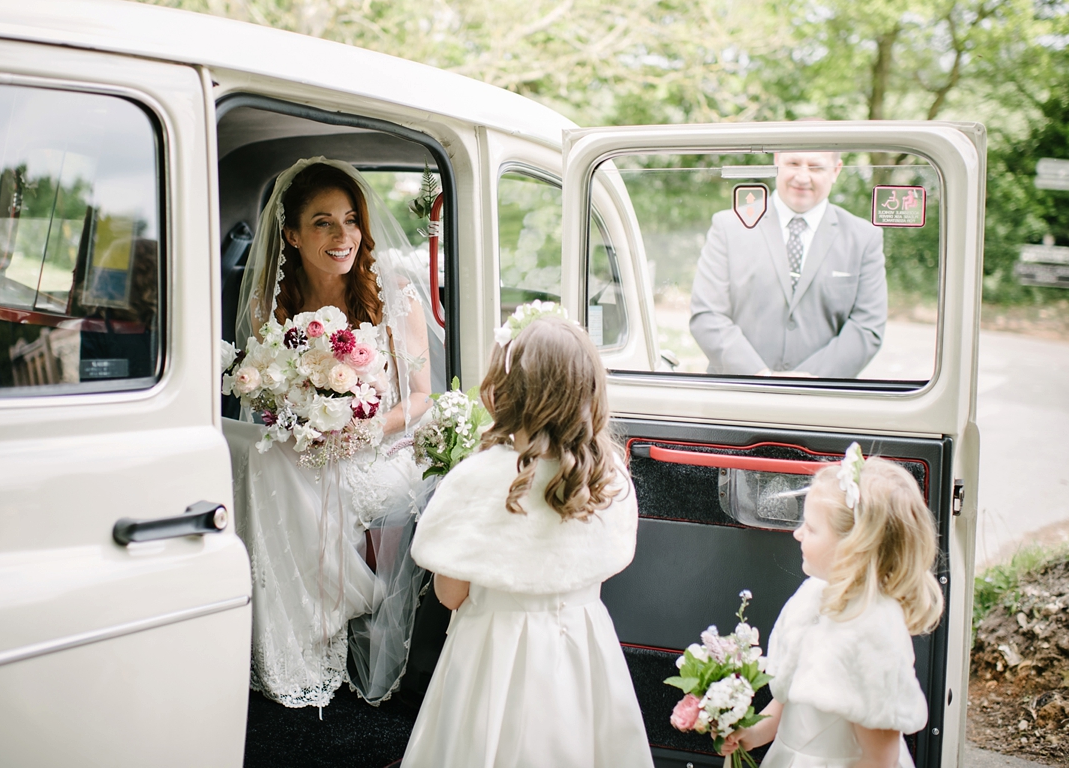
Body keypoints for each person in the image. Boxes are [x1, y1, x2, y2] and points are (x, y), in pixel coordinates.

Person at [227, 157, 443, 709]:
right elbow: (266, 393)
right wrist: (298, 418)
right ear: (293, 234)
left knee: (305, 477)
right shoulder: (268, 306)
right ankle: (294, 648)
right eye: (322, 222)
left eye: (350, 220)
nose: (342, 235)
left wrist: (363, 429)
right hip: (308, 449)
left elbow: (421, 398)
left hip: (383, 448)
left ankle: (329, 622)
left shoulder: (396, 296)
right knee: (269, 461)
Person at [401, 307, 653, 768]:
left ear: (502, 392)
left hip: (491, 654)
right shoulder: (608, 475)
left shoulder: (477, 478)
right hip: (582, 647)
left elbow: (451, 594)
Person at [720, 445, 944, 768]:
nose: (797, 534)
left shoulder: (874, 635)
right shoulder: (810, 600)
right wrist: (751, 734)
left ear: (853, 549)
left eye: (811, 528)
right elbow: (783, 707)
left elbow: (880, 759)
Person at [690, 152, 887, 377]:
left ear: (836, 170)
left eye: (815, 167)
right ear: (776, 161)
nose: (802, 177)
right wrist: (759, 375)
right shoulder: (728, 226)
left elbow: (867, 327)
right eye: (793, 163)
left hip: (823, 401)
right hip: (736, 395)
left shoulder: (863, 238)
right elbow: (707, 314)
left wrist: (808, 380)